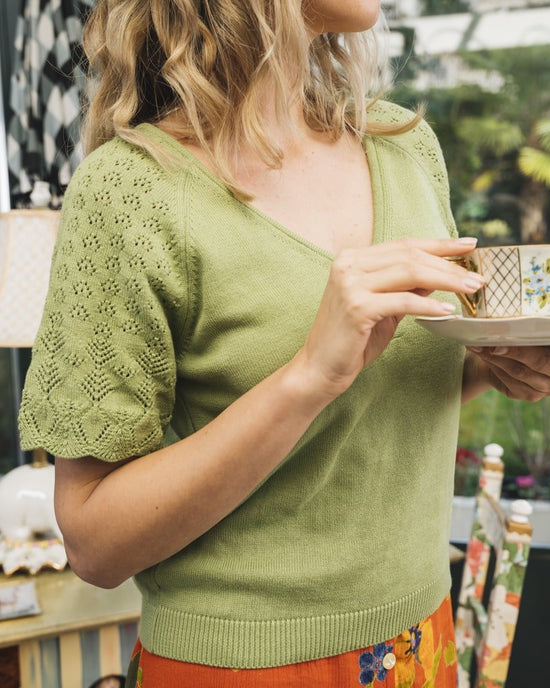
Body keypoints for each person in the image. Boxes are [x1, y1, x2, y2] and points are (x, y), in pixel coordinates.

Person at [18, 1, 550, 686]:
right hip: (246, 666)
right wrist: (307, 376)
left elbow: (385, 383)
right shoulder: (132, 190)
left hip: (424, 642)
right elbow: (94, 542)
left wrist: (499, 363)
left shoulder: (404, 146)